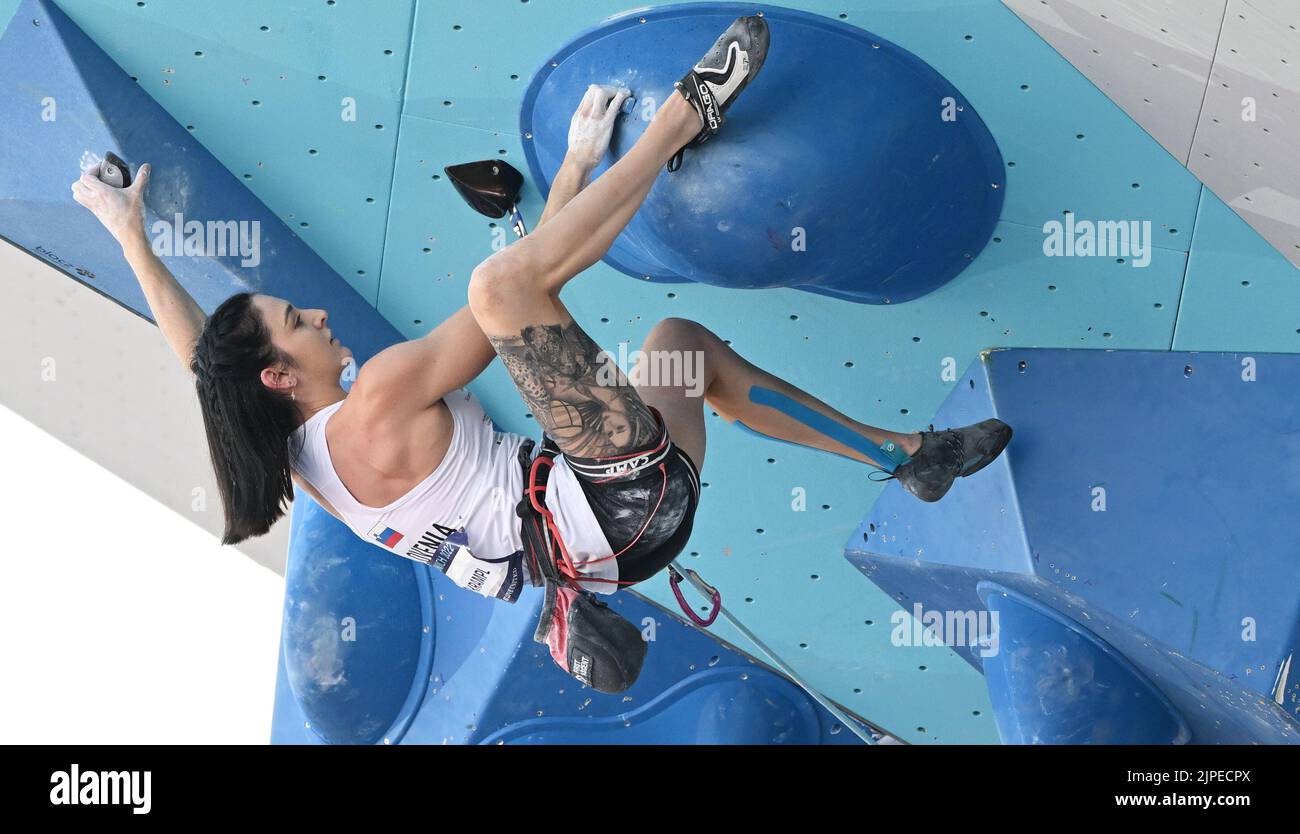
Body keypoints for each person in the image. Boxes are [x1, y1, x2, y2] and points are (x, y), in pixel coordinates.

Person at [71, 17, 1011, 605]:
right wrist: (571, 166)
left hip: (624, 542)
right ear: (280, 374)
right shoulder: (381, 397)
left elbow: (204, 362)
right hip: (616, 501)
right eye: (295, 321)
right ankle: (692, 112)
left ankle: (906, 458)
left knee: (682, 349)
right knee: (494, 287)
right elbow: (516, 293)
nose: (316, 312)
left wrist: (132, 241)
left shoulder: (307, 465)